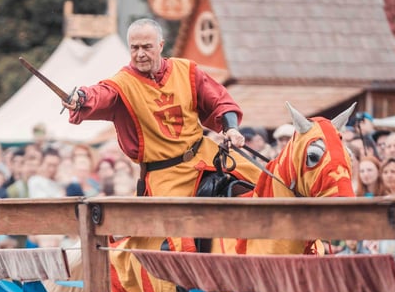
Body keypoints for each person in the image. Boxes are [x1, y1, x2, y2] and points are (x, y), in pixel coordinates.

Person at [64, 18, 263, 198]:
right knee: (178, 236)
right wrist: (80, 97)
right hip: (166, 175)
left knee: (268, 183)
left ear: (160, 45)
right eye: (134, 48)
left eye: (146, 47)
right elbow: (99, 94)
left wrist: (231, 128)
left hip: (205, 154)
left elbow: (219, 100)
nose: (140, 54)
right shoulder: (122, 84)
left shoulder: (186, 70)